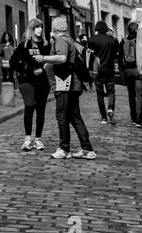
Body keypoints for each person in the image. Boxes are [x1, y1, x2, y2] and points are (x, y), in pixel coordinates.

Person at [42, 16, 95, 160]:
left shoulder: (61, 40)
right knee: (74, 115)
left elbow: (62, 58)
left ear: (54, 28)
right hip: (73, 83)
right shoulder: (68, 38)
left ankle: (64, 148)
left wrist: (44, 58)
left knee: (62, 115)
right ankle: (87, 149)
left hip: (65, 83)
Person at [11, 19, 51, 151]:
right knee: (29, 108)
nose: (40, 29)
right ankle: (28, 138)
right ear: (31, 29)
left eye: (41, 27)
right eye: (37, 27)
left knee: (41, 111)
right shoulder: (24, 45)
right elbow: (13, 62)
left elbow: (52, 61)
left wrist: (44, 69)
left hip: (43, 82)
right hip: (28, 81)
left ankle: (38, 139)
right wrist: (27, 70)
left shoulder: (46, 45)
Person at [88, 21, 121, 125]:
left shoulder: (92, 40)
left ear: (97, 28)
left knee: (100, 93)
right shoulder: (112, 40)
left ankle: (103, 117)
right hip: (109, 69)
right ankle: (110, 108)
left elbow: (90, 56)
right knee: (111, 91)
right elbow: (116, 55)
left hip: (97, 70)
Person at [120, 22, 142, 128]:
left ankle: (133, 118)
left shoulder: (123, 42)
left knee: (131, 95)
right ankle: (139, 120)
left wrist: (123, 71)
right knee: (139, 96)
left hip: (128, 71)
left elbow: (120, 59)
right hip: (139, 71)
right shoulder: (141, 42)